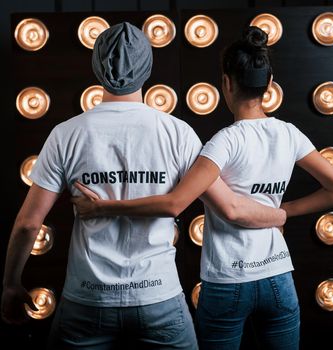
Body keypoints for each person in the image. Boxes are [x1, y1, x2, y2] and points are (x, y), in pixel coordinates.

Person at [1, 22, 286, 350]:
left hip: (87, 300)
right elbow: (231, 206)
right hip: (159, 297)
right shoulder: (177, 133)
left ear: (96, 66)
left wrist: (10, 284)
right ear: (147, 67)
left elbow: (27, 224)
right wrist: (279, 215)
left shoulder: (66, 134)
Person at [71, 26, 333, 350]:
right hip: (278, 277)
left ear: (226, 83)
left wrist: (104, 207)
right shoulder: (289, 134)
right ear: (270, 84)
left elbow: (174, 203)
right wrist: (284, 211)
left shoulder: (224, 143)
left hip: (228, 281)